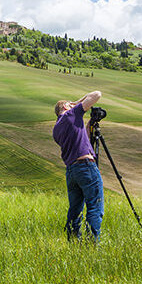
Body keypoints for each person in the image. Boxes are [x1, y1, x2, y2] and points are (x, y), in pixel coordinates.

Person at [53, 91, 104, 241]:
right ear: (64, 106)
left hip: (71, 171)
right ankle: (92, 244)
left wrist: (89, 126)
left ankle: (73, 240)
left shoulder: (56, 129)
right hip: (86, 167)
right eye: (69, 103)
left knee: (75, 209)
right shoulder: (71, 114)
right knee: (95, 207)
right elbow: (96, 94)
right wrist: (76, 103)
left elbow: (81, 140)